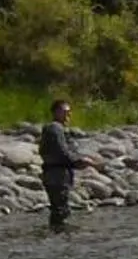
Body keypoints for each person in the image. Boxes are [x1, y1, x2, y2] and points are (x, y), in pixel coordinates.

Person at [38, 98, 97, 230]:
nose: (68, 115)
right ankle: (59, 237)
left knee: (58, 209)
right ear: (56, 112)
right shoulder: (55, 129)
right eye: (65, 112)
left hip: (54, 174)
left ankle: (56, 233)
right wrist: (78, 162)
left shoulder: (54, 129)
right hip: (57, 175)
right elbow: (62, 152)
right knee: (61, 210)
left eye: (69, 112)